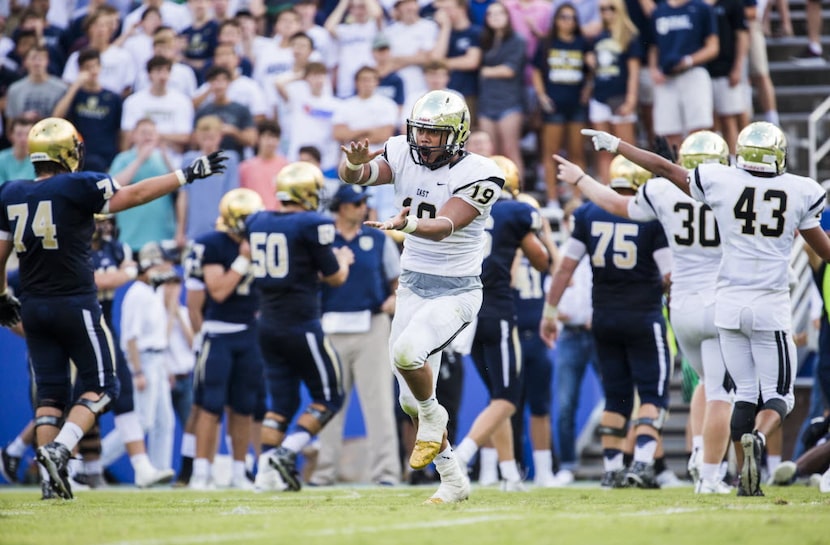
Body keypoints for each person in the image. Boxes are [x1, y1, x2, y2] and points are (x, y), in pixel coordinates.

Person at [584, 121, 830, 496]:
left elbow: (664, 168)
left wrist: (618, 144)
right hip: (769, 305)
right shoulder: (800, 190)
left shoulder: (721, 182)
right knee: (780, 395)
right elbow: (824, 249)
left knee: (742, 393)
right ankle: (758, 440)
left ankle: (738, 480)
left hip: (726, 304)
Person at [0, 117, 227, 499]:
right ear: (68, 152)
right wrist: (187, 174)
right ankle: (59, 450)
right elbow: (133, 195)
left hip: (35, 305)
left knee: (51, 396)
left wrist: (2, 296)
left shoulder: (10, 192)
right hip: (74, 302)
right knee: (104, 386)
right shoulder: (79, 184)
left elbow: (1, 253)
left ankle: (48, 482)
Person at [338, 89, 504, 503]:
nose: (424, 140)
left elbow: (446, 224)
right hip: (412, 284)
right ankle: (453, 479)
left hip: (457, 291)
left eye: (434, 133)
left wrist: (405, 225)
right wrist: (353, 165)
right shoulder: (400, 151)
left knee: (408, 354)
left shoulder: (483, 171)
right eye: (421, 131)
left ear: (457, 134)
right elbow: (357, 177)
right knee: (410, 402)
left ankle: (433, 415)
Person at [568, 129, 735, 493]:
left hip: (679, 308)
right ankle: (706, 472)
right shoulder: (737, 189)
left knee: (701, 385)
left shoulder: (659, 194)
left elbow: (614, 204)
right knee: (722, 391)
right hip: (716, 303)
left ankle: (691, 453)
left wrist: (581, 178)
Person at [539, 154, 673, 490]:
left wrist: (550, 312)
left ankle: (612, 468)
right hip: (643, 316)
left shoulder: (586, 213)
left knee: (616, 398)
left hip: (604, 318)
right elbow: (669, 275)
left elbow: (565, 268)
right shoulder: (652, 216)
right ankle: (642, 464)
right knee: (653, 396)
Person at [246, 161, 354, 492]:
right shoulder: (312, 222)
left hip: (267, 325)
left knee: (280, 405)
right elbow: (334, 276)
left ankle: (265, 474)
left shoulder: (257, 219)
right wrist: (345, 261)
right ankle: (286, 452)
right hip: (302, 324)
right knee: (330, 396)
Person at [453, 155, 551, 492]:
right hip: (496, 310)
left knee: (497, 396)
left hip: (464, 313)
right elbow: (543, 261)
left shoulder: (461, 207)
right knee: (508, 398)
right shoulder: (515, 213)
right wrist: (539, 237)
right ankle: (461, 457)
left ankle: (509, 475)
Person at [309, 184, 402, 486]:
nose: (363, 206)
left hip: (371, 325)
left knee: (379, 404)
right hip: (330, 326)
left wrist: (395, 298)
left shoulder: (377, 239)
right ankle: (324, 472)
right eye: (356, 202)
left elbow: (398, 279)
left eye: (364, 201)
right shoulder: (322, 239)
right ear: (341, 207)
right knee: (329, 405)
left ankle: (386, 473)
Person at [185, 188, 266, 490]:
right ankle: (201, 472)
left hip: (250, 334)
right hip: (217, 333)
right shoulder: (212, 244)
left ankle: (237, 470)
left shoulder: (262, 241)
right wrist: (243, 260)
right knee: (210, 405)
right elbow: (217, 291)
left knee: (245, 407)